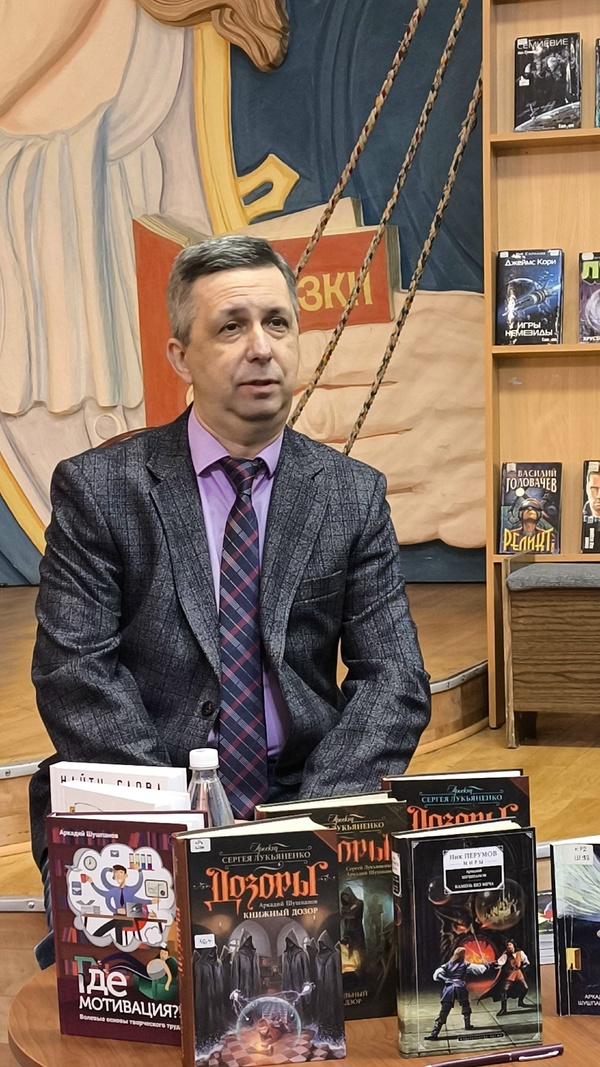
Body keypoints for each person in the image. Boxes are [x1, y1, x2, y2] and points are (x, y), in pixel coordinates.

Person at [29, 234, 430, 959]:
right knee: (149, 991)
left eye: (277, 323)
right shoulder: (99, 490)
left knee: (359, 980)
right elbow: (74, 675)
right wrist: (182, 823)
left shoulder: (352, 494)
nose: (261, 348)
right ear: (180, 355)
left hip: (302, 795)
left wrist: (308, 824)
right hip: (144, 800)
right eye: (230, 327)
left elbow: (394, 678)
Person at [425, 945, 490, 1040]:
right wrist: (486, 966)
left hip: (449, 989)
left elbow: (437, 974)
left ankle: (435, 1033)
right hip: (460, 987)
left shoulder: (448, 964)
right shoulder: (465, 964)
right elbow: (479, 970)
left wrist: (445, 979)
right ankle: (467, 1024)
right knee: (465, 1005)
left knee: (445, 1010)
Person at [495, 939, 531, 1015]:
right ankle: (503, 1009)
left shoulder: (520, 952)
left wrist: (523, 967)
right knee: (504, 990)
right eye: (507, 945)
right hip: (511, 973)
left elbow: (526, 962)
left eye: (510, 945)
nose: (508, 946)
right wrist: (494, 964)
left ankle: (520, 1002)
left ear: (513, 945)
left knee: (525, 988)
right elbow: (500, 962)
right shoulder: (506, 954)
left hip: (518, 973)